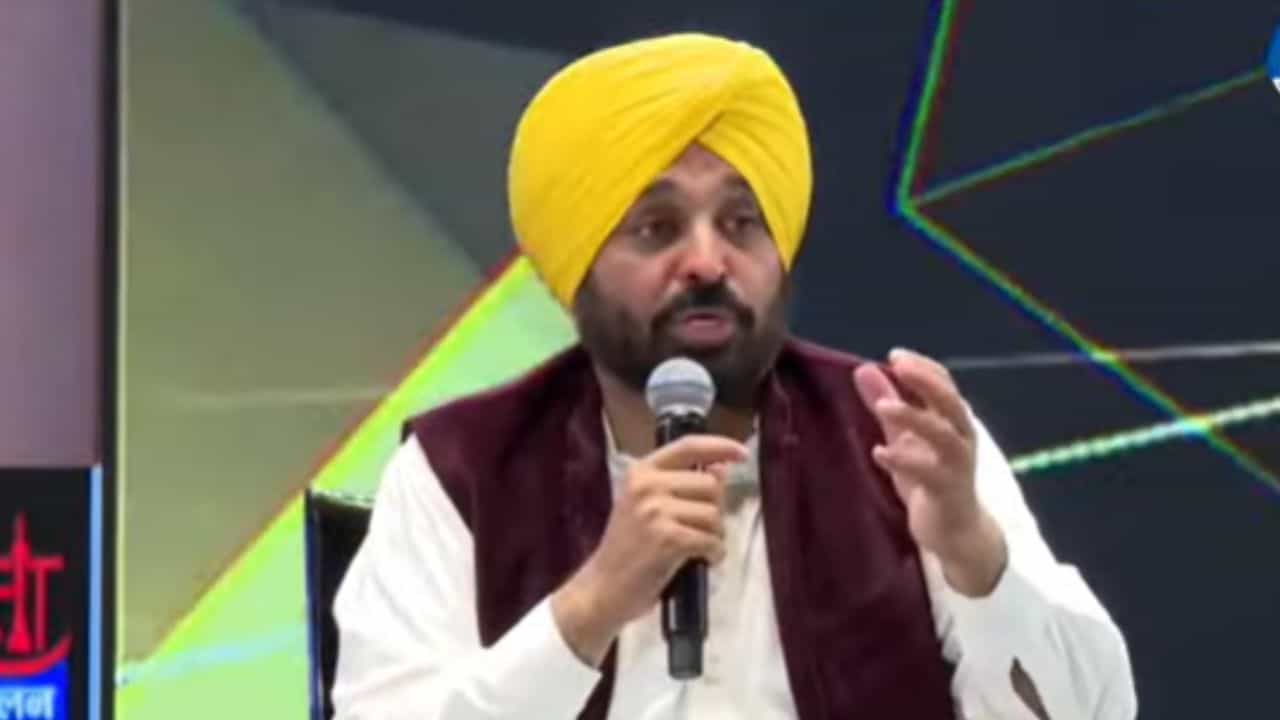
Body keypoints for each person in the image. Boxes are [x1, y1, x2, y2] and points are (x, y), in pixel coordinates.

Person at [331, 33, 1136, 720]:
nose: (708, 261)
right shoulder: (462, 470)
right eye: (657, 227)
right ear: (575, 268)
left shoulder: (901, 438)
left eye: (741, 222)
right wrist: (592, 604)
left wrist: (973, 556)